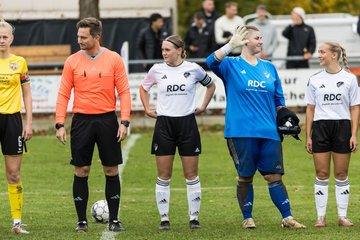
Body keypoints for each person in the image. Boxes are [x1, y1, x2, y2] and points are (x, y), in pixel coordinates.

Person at [206, 25, 306, 229]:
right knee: (245, 175)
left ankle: (287, 218)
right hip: (240, 131)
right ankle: (247, 217)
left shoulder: (269, 67)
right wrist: (229, 45)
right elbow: (210, 62)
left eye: (261, 38)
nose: (261, 41)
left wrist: (285, 117)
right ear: (244, 41)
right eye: (257, 38)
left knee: (274, 175)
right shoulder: (231, 65)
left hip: (269, 132)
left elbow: (279, 100)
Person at [55, 17, 131, 233]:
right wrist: (59, 123)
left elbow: (124, 92)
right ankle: (81, 221)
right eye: (78, 36)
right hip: (81, 121)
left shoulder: (114, 59)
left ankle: (114, 219)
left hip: (107, 120)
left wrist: (124, 121)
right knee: (82, 169)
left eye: (83, 37)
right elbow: (63, 93)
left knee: (110, 169)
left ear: (96, 37)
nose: (78, 40)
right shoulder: (72, 61)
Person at [139, 35, 216, 230]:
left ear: (180, 50)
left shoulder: (193, 69)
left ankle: (194, 218)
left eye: (168, 50)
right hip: (164, 125)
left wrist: (203, 106)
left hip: (187, 125)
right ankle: (164, 219)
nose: (164, 53)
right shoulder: (156, 70)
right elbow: (143, 87)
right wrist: (147, 108)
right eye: (163, 50)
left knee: (191, 174)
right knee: (164, 175)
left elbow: (211, 85)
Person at [305, 41, 360, 228]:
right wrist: (308, 136)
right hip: (320, 128)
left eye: (322, 52)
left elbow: (355, 108)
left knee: (341, 174)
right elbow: (310, 109)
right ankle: (320, 217)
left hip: (342, 128)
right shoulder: (314, 79)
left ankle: (342, 216)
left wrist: (354, 134)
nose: (319, 55)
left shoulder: (350, 79)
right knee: (321, 173)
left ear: (334, 55)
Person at [0, 19, 32, 235]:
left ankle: (17, 222)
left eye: (4, 36)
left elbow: (27, 93)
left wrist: (28, 122)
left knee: (13, 173)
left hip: (12, 122)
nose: (1, 40)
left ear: (11, 38)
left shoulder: (19, 62)